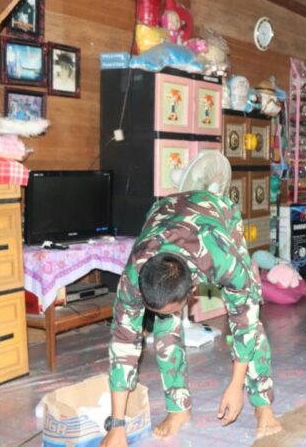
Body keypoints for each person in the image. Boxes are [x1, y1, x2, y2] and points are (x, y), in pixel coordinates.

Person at [100, 157, 281, 446]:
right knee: (164, 328)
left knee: (248, 318)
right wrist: (117, 424)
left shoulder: (221, 258)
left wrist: (236, 386)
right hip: (164, 211)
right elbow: (123, 346)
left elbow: (245, 319)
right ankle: (178, 409)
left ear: (192, 293)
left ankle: (263, 405)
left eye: (174, 308)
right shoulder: (134, 275)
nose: (166, 314)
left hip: (216, 215)